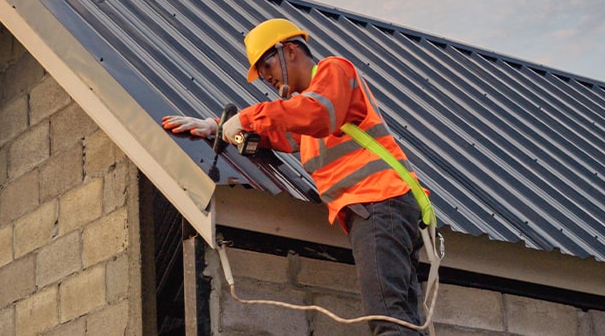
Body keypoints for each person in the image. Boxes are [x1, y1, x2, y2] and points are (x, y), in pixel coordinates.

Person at [161, 18, 435, 336]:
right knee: (401, 320)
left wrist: (245, 117)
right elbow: (278, 132)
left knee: (389, 322)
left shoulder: (335, 72)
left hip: (379, 202)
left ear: (289, 50)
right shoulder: (306, 116)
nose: (269, 81)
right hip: (381, 209)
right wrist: (217, 127)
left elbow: (315, 114)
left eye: (268, 69)